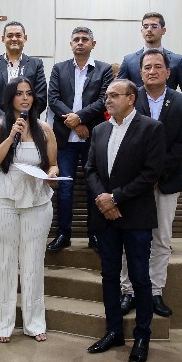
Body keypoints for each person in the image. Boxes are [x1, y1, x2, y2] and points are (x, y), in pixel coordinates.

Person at [85, 79, 165, 362]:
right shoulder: (100, 129)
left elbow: (150, 173)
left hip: (135, 215)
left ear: (131, 98)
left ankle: (142, 336)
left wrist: (115, 198)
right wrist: (103, 200)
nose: (108, 100)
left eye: (114, 95)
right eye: (106, 95)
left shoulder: (151, 128)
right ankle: (114, 331)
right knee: (109, 276)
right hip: (105, 216)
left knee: (140, 278)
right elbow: (90, 169)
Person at [0, 77, 58, 343]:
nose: (25, 98)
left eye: (29, 93)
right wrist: (11, 136)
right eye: (19, 93)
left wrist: (53, 173)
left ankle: (34, 323)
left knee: (33, 262)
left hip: (37, 201)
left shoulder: (44, 129)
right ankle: (1, 324)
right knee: (2, 263)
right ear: (10, 97)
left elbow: (52, 164)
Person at [120, 49, 182, 318]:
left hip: (166, 181)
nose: (152, 71)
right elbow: (122, 140)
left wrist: (154, 173)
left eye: (158, 67)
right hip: (133, 181)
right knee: (130, 238)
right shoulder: (129, 98)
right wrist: (142, 176)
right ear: (140, 73)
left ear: (168, 72)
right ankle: (128, 291)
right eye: (147, 67)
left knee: (161, 238)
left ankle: (154, 291)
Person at [46, 27, 113, 252]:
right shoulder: (59, 68)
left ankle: (94, 235)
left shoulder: (104, 69)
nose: (80, 42)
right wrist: (75, 122)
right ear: (71, 44)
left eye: (85, 39)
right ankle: (63, 234)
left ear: (93, 44)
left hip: (93, 138)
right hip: (65, 140)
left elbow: (104, 100)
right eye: (76, 39)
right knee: (65, 188)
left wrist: (81, 118)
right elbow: (53, 99)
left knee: (94, 188)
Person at [118, 12, 182, 111]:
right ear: (141, 30)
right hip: (137, 116)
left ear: (163, 30)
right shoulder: (129, 61)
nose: (149, 29)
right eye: (145, 26)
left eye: (154, 26)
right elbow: (118, 91)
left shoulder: (177, 61)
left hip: (168, 114)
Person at [0, 21, 47, 118]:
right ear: (3, 39)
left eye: (18, 35)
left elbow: (41, 98)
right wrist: (4, 119)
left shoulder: (36, 64)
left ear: (25, 38)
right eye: (10, 36)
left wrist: (23, 118)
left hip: (28, 122)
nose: (14, 39)